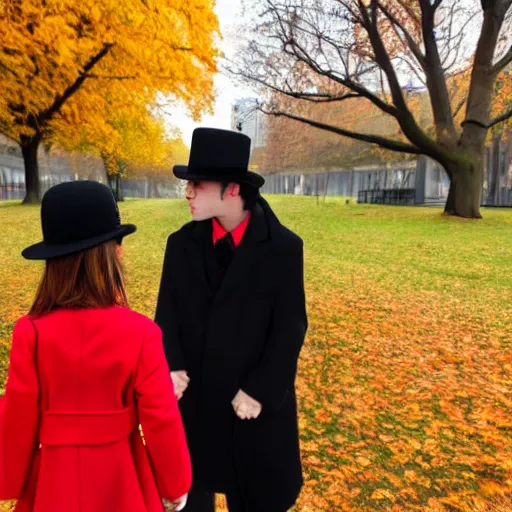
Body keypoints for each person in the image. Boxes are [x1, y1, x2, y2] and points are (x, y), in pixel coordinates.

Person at [0, 181, 191, 512]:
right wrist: (175, 484)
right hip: (122, 479)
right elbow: (161, 417)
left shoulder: (30, 332)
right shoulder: (141, 333)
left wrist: (9, 479)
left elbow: (17, 414)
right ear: (112, 254)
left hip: (52, 483)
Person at [155, 128, 308, 512]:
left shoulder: (283, 249)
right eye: (188, 185)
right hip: (195, 405)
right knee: (190, 496)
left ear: (233, 190)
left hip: (252, 411)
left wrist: (260, 389)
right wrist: (170, 364)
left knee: (256, 496)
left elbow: (290, 328)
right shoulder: (180, 244)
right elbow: (166, 314)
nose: (188, 193)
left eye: (198, 184)